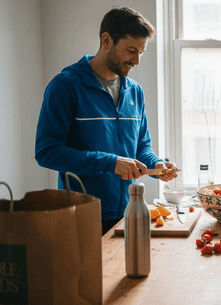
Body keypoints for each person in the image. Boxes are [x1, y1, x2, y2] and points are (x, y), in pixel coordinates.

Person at [35, 7, 178, 236]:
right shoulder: (66, 85)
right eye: (131, 50)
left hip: (127, 212)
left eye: (142, 52)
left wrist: (156, 165)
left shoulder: (135, 92)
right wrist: (110, 162)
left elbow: (141, 146)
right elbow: (46, 152)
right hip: (80, 216)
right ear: (106, 40)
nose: (137, 61)